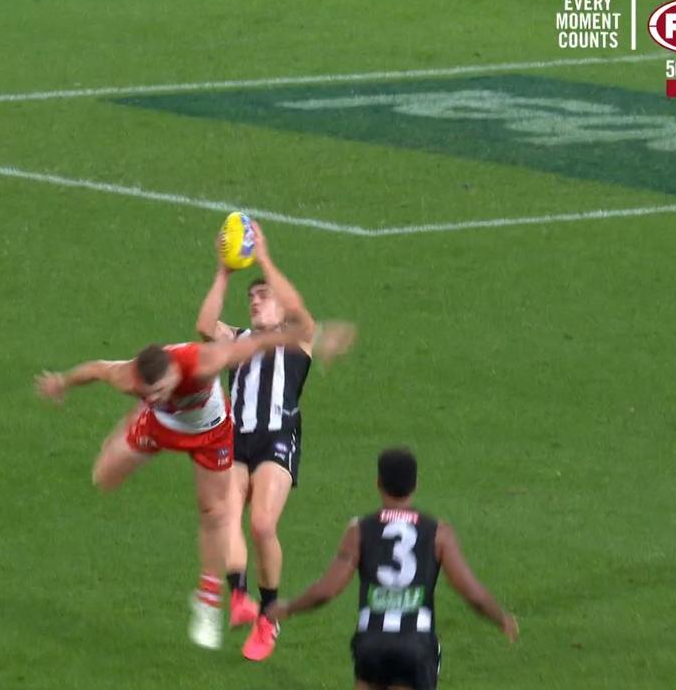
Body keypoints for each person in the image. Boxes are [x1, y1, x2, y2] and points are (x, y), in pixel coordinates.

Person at [35, 317, 354, 650]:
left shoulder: (204, 361)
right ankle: (134, 424)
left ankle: (207, 599)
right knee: (103, 477)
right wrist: (63, 382)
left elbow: (263, 342)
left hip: (209, 434)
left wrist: (318, 336)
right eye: (147, 393)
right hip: (160, 427)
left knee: (213, 511)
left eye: (157, 391)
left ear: (172, 373)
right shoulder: (130, 378)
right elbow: (98, 369)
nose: (153, 396)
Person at [268, 447, 519, 689]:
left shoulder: (359, 530)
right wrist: (501, 618)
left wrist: (289, 607)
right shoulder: (438, 533)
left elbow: (327, 590)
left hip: (371, 643)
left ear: (378, 482)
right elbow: (471, 592)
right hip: (415, 645)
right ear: (415, 484)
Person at [195, 221, 319, 661]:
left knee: (262, 523)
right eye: (251, 297)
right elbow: (205, 323)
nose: (255, 301)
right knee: (226, 514)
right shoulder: (239, 340)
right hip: (238, 438)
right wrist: (224, 273)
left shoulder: (296, 336)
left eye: (263, 295)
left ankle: (270, 615)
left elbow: (301, 309)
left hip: (277, 438)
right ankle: (240, 597)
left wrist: (264, 259)